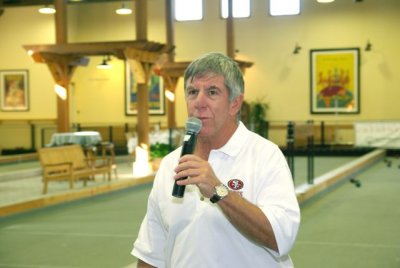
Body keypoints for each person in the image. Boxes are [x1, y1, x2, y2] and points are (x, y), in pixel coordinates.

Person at [131, 52, 300, 267]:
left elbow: (281, 237)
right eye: (192, 92)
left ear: (235, 103)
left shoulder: (265, 156)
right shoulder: (171, 164)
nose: (199, 102)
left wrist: (219, 191)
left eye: (212, 92)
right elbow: (151, 254)